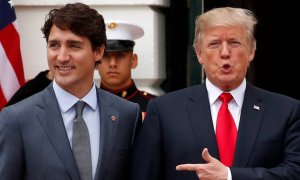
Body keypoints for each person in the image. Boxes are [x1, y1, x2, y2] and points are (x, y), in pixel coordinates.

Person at [130, 7, 300, 180]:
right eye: (214, 44)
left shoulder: (285, 111)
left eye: (234, 42)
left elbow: (295, 173)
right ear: (199, 54)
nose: (225, 53)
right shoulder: (165, 110)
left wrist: (230, 175)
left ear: (251, 51)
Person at [0, 3, 141, 180]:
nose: (62, 56)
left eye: (74, 46)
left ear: (98, 51)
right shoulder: (17, 119)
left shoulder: (127, 114)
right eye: (54, 45)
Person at [96, 21, 156, 118]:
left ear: (133, 60)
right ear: (97, 60)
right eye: (106, 56)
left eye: (120, 56)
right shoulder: (85, 106)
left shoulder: (153, 106)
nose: (113, 64)